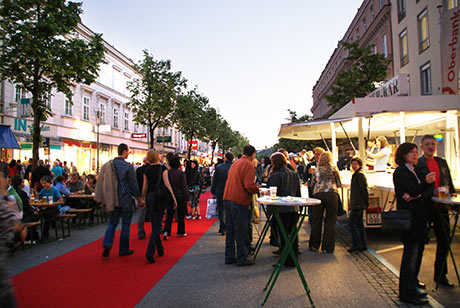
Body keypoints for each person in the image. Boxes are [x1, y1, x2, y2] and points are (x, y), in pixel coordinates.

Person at [393, 142, 435, 305]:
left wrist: (416, 193)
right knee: (410, 256)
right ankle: (407, 292)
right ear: (403, 154)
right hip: (410, 218)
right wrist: (424, 184)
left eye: (416, 152)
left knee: (415, 254)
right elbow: (412, 191)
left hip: (419, 216)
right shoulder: (401, 171)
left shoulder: (414, 170)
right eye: (411, 152)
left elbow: (417, 193)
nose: (415, 155)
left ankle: (412, 287)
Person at [416, 135, 455, 288]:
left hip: (442, 206)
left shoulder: (442, 163)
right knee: (421, 242)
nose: (430, 147)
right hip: (426, 207)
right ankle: (415, 278)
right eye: (427, 144)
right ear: (422, 146)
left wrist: (451, 197)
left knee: (444, 241)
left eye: (432, 144)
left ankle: (441, 274)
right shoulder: (419, 164)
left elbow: (448, 182)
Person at [102, 144, 145, 258]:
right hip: (125, 198)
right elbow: (133, 184)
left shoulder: (109, 165)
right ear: (124, 152)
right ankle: (123, 249)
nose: (128, 154)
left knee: (112, 223)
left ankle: (107, 243)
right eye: (128, 152)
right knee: (126, 224)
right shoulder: (128, 167)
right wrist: (138, 199)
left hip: (113, 198)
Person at [223, 145, 260, 266]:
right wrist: (257, 188)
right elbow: (248, 185)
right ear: (253, 154)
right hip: (239, 200)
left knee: (230, 229)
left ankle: (229, 256)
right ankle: (242, 258)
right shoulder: (249, 165)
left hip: (228, 198)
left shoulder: (236, 163)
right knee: (241, 230)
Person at [266, 152, 301, 267]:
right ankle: (293, 257)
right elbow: (298, 192)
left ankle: (286, 259)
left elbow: (271, 192)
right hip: (293, 207)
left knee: (284, 234)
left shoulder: (276, 175)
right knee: (293, 234)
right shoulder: (293, 174)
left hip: (281, 209)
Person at [142, 149, 176, 263]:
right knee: (156, 227)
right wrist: (173, 198)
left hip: (150, 198)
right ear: (157, 157)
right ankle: (149, 253)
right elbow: (167, 185)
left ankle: (160, 250)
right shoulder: (162, 169)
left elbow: (145, 187)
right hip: (160, 199)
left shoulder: (146, 169)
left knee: (154, 224)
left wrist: (142, 199)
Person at [309, 151, 341, 253]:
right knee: (330, 221)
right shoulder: (333, 169)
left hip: (318, 195)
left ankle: (314, 245)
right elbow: (339, 183)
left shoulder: (316, 170)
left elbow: (312, 183)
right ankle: (328, 247)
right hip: (331, 194)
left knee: (316, 220)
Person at [347, 157, 369, 253]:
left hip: (358, 203)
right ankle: (362, 244)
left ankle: (357, 244)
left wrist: (365, 202)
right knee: (359, 224)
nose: (353, 166)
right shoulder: (357, 175)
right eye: (352, 164)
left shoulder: (359, 175)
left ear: (359, 165)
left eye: (355, 164)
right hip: (358, 203)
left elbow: (363, 190)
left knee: (352, 223)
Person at [211, 152, 234, 235]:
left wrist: (213, 190)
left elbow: (215, 180)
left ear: (225, 158)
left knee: (221, 209)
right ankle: (229, 227)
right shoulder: (234, 167)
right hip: (231, 192)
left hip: (220, 191)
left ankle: (222, 227)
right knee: (230, 210)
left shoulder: (219, 167)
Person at [167, 155, 188, 237]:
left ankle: (167, 231)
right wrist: (187, 198)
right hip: (180, 195)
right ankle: (181, 231)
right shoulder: (181, 174)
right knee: (180, 214)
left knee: (169, 214)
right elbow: (184, 186)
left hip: (169, 195)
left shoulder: (167, 173)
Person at [37, 175, 64, 240]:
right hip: (46, 207)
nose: (43, 185)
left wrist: (54, 203)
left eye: (45, 183)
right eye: (42, 183)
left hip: (54, 209)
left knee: (47, 217)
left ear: (49, 182)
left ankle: (45, 235)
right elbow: (38, 196)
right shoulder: (43, 190)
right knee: (36, 215)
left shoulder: (55, 190)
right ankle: (35, 235)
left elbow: (61, 200)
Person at [136, 157, 149, 239]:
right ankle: (159, 228)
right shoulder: (151, 169)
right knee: (154, 211)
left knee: (141, 213)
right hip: (150, 193)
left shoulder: (139, 170)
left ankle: (140, 230)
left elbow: (136, 181)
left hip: (141, 192)